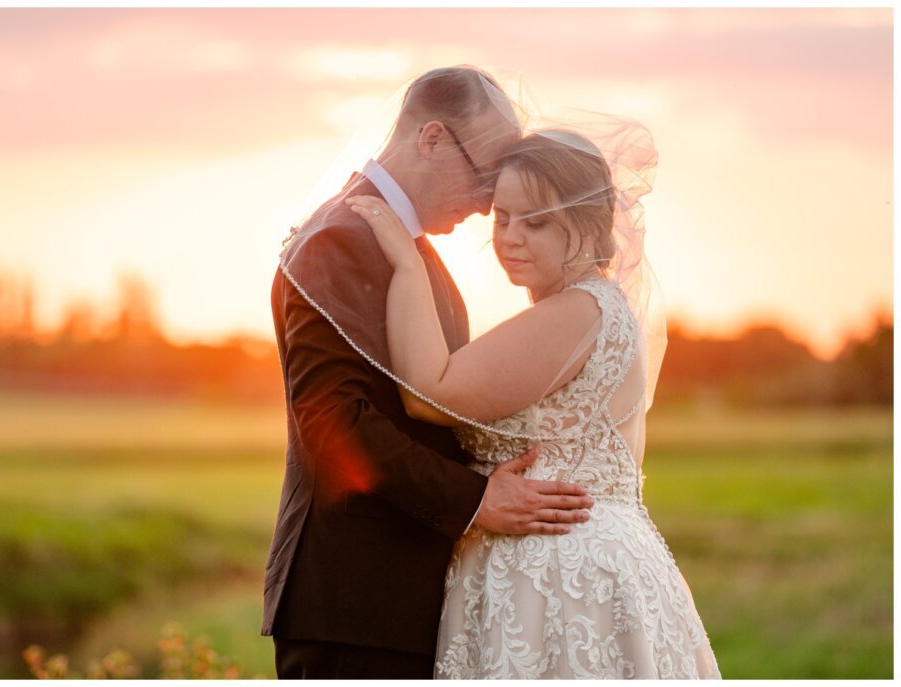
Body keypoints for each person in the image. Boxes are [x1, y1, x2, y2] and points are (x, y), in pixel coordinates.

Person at [346, 127, 721, 678]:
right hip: (551, 563)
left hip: (563, 576)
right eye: (503, 217)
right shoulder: (584, 309)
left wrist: (406, 263)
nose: (510, 238)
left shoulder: (578, 310)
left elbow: (432, 393)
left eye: (536, 222)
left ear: (589, 226)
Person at [263, 67, 596, 679]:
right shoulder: (338, 239)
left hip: (396, 600)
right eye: (485, 172)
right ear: (433, 138)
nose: (489, 199)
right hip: (354, 603)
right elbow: (331, 422)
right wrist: (477, 501)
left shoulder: (406, 249)